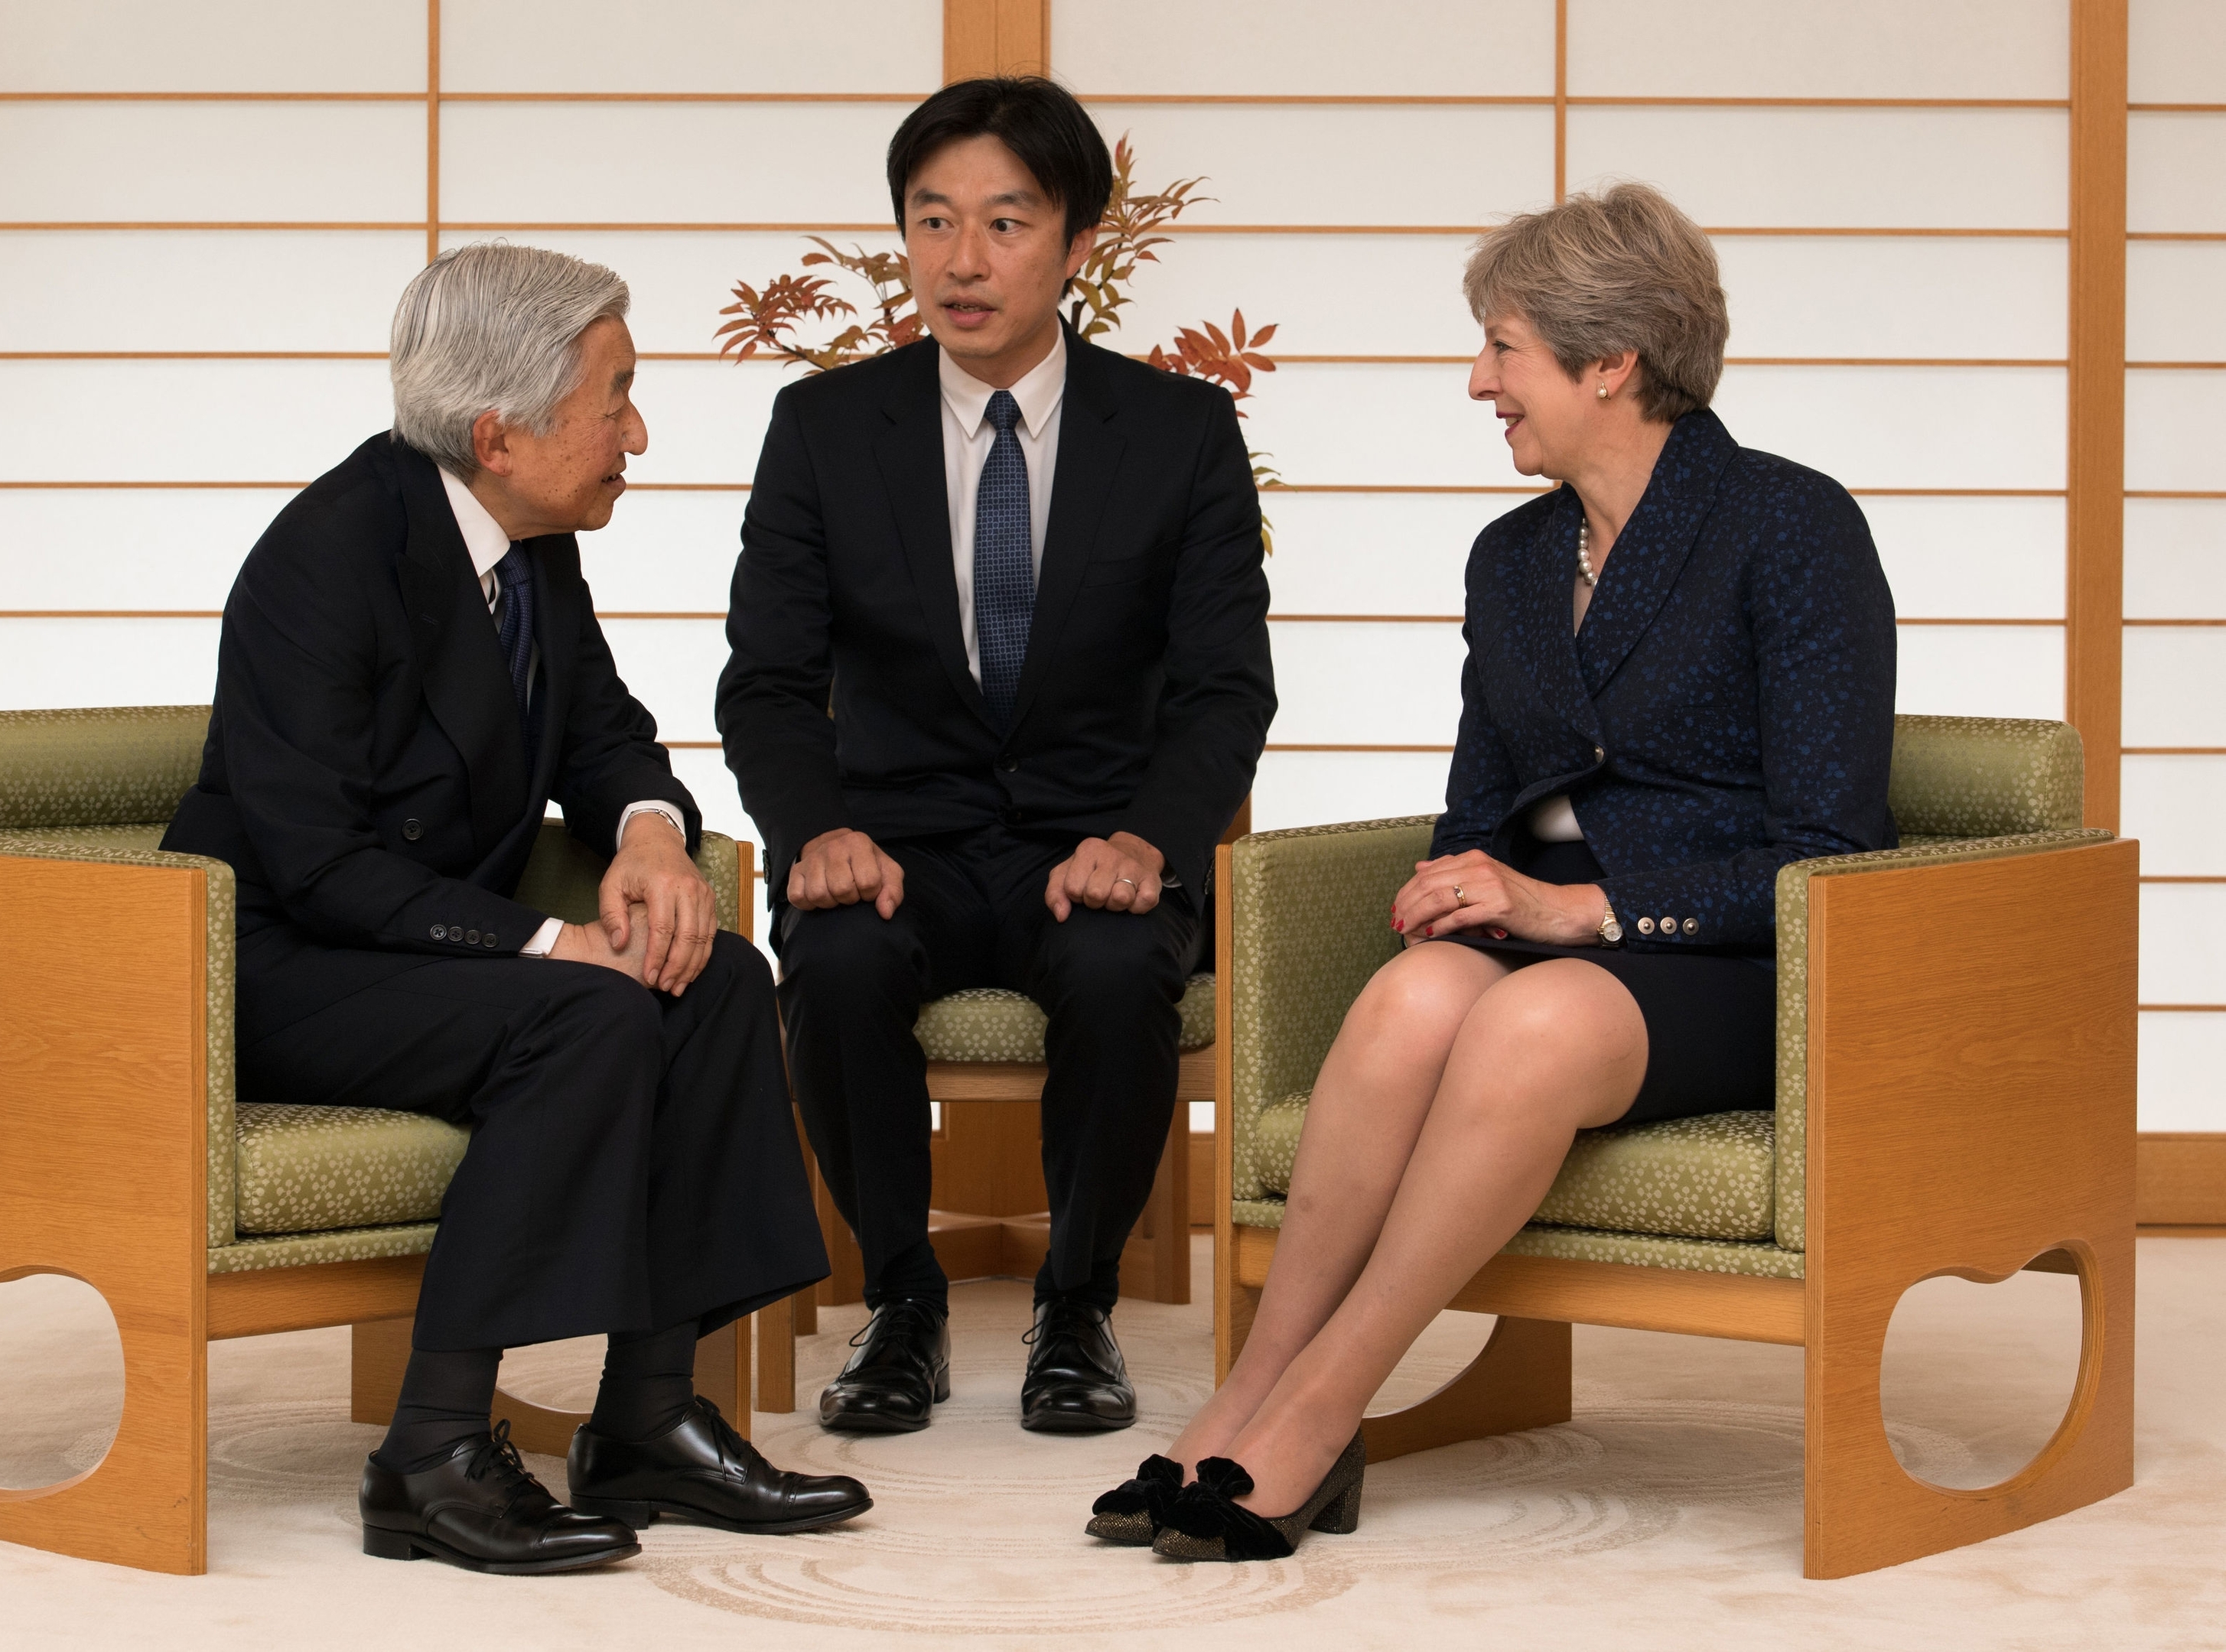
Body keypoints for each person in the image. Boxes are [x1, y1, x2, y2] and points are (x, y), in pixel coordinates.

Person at [1095, 182, 1898, 1562]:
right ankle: (1247, 1391)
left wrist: (1582, 909)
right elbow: (1481, 797)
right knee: (1410, 998)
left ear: (1610, 364)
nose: (1478, 382)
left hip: (1728, 960)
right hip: (1549, 936)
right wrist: (1449, 883)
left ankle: (1323, 1413)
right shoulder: (1513, 556)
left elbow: (1830, 851)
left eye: (1503, 347)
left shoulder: (1791, 526)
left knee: (1529, 1020)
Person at [161, 244, 868, 1576]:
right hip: (282, 960)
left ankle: (647, 1420)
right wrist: (550, 940)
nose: (636, 434)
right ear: (500, 431)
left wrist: (654, 841)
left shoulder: (527, 542)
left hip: (419, 947)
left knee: (711, 971)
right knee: (590, 1015)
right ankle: (427, 1455)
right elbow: (315, 865)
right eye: (615, 399)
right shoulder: (325, 559)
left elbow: (604, 736)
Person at [717, 77, 1275, 1436]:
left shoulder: (1182, 433)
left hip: (1096, 844)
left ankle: (1075, 1308)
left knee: (1119, 961)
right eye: (933, 221)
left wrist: (1150, 836)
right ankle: (899, 1306)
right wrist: (815, 834)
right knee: (832, 957)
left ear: (1077, 241)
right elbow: (768, 685)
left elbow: (1225, 689)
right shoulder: (827, 429)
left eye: (1006, 223)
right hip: (896, 843)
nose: (962, 262)